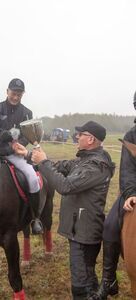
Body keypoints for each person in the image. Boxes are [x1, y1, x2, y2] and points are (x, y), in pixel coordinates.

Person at [13, 121, 115, 300]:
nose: (77, 136)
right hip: (79, 229)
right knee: (88, 277)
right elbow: (59, 166)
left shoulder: (96, 165)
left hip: (84, 233)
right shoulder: (85, 159)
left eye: (80, 134)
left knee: (81, 285)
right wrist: (29, 154)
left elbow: (65, 186)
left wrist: (43, 162)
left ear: (90, 139)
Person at [92, 91, 136, 300]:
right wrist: (130, 193)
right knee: (110, 225)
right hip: (134, 190)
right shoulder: (131, 136)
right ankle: (109, 280)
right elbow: (127, 170)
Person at [0, 78, 43, 234]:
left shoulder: (26, 113)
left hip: (16, 154)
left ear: (22, 94)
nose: (16, 97)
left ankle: (34, 218)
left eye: (19, 94)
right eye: (13, 93)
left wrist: (19, 145)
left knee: (32, 177)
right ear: (7, 91)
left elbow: (28, 136)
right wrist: (1, 134)